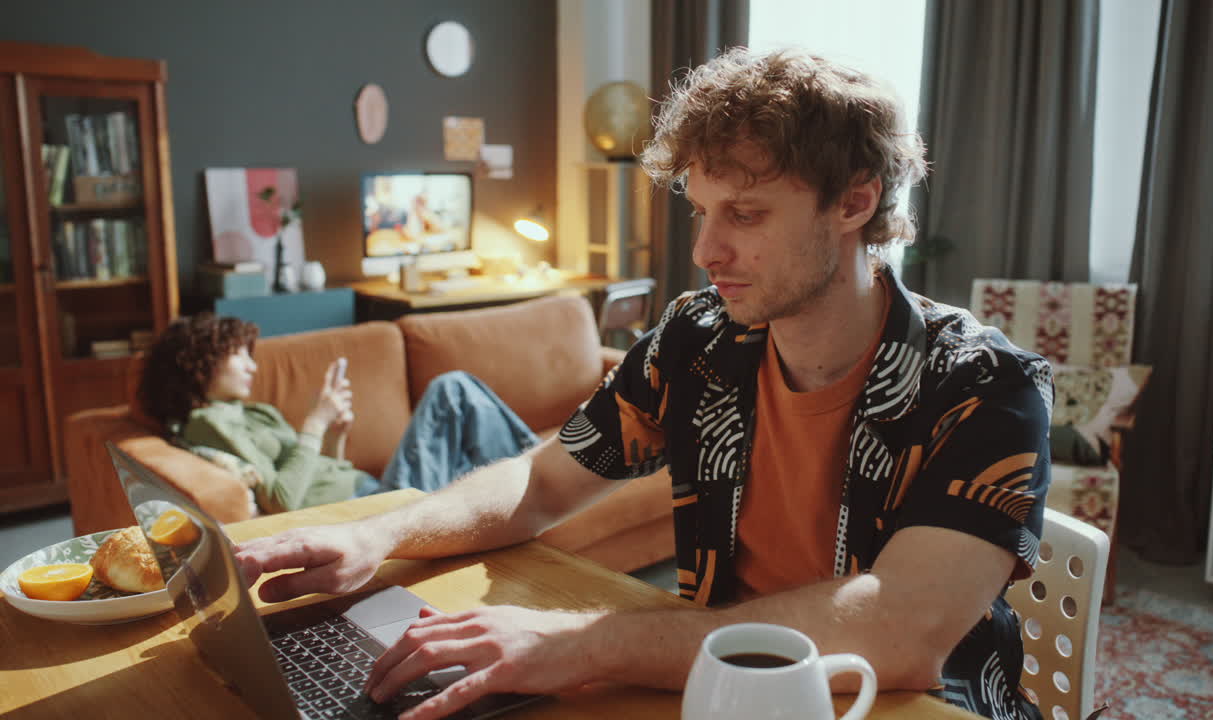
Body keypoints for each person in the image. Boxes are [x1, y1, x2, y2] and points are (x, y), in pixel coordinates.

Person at [235, 47, 1052, 720]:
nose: (705, 251)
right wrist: (381, 535)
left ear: (855, 202)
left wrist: (576, 643)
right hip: (719, 691)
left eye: (746, 214)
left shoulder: (985, 389)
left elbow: (902, 632)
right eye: (701, 211)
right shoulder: (700, 339)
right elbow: (541, 483)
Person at [137, 312, 539, 514]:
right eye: (237, 355)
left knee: (461, 409)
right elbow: (282, 501)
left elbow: (323, 472)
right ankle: (546, 472)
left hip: (371, 490)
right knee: (451, 391)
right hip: (380, 506)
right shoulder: (207, 424)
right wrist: (315, 421)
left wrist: (334, 434)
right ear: (199, 363)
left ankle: (538, 477)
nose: (251, 366)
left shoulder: (249, 412)